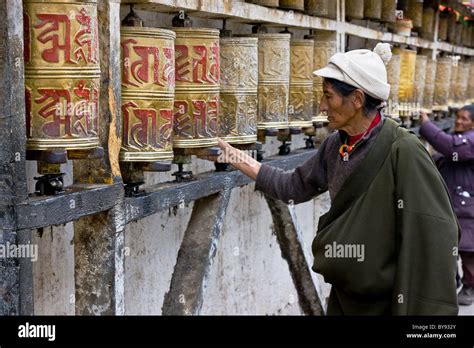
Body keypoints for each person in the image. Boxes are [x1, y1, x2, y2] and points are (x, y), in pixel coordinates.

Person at [205, 43, 459, 315]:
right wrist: (234, 157)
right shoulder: (335, 146)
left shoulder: (403, 150)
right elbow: (293, 187)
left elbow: (434, 230)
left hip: (388, 302)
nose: (322, 106)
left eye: (329, 96)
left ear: (358, 99)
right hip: (345, 295)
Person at [419, 105, 474, 306]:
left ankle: (469, 287)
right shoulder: (461, 139)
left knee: (467, 252)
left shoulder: (470, 140)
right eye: (457, 118)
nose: (458, 121)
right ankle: (452, 284)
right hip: (452, 205)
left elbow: (450, 147)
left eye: (464, 119)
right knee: (448, 248)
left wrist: (425, 124)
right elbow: (444, 156)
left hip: (467, 208)